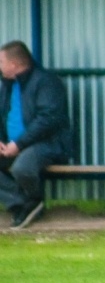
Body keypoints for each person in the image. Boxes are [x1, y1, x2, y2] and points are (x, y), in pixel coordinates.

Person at [0, 40, 72, 229]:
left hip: (48, 144)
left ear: (14, 64)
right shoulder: (7, 85)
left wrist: (19, 144)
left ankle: (33, 200)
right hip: (14, 145)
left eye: (1, 62)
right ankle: (21, 204)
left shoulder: (46, 82)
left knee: (22, 167)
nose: (0, 67)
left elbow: (48, 119)